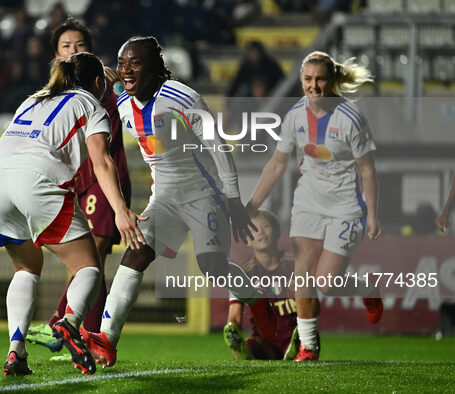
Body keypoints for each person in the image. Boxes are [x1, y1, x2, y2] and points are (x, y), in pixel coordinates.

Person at [0, 52, 145, 376]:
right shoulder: (91, 104)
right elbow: (102, 162)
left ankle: (15, 352)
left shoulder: (32, 101)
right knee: (88, 266)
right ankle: (69, 324)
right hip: (37, 183)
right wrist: (120, 209)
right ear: (97, 83)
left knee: (26, 268)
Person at [79, 36, 276, 368]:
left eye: (135, 63)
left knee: (211, 266)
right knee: (137, 252)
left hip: (204, 194)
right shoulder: (121, 99)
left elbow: (218, 147)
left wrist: (234, 201)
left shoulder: (183, 98)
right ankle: (108, 339)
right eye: (123, 63)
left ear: (155, 67)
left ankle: (257, 301)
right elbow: (98, 85)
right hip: (165, 197)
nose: (127, 70)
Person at [245, 51, 384, 361]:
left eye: (320, 79)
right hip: (307, 202)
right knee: (304, 274)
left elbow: (367, 170)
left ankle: (365, 288)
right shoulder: (295, 115)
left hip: (345, 206)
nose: (314, 85)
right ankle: (308, 346)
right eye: (308, 79)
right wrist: (251, 206)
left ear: (331, 81)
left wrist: (372, 214)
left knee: (327, 282)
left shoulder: (351, 118)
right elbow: (277, 165)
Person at [26, 19, 132, 351]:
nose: (74, 51)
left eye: (80, 46)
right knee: (90, 261)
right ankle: (80, 333)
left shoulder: (106, 84)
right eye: (66, 47)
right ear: (56, 55)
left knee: (93, 254)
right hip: (74, 183)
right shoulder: (53, 94)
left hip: (103, 178)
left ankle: (62, 327)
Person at [223, 209, 298, 361]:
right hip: (264, 341)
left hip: (295, 335)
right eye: (253, 229)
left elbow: (311, 305)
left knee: (300, 342)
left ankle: (296, 350)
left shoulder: (297, 264)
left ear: (278, 232)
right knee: (251, 345)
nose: (260, 232)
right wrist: (235, 343)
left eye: (266, 226)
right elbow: (234, 318)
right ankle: (247, 352)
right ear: (247, 239)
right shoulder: (243, 274)